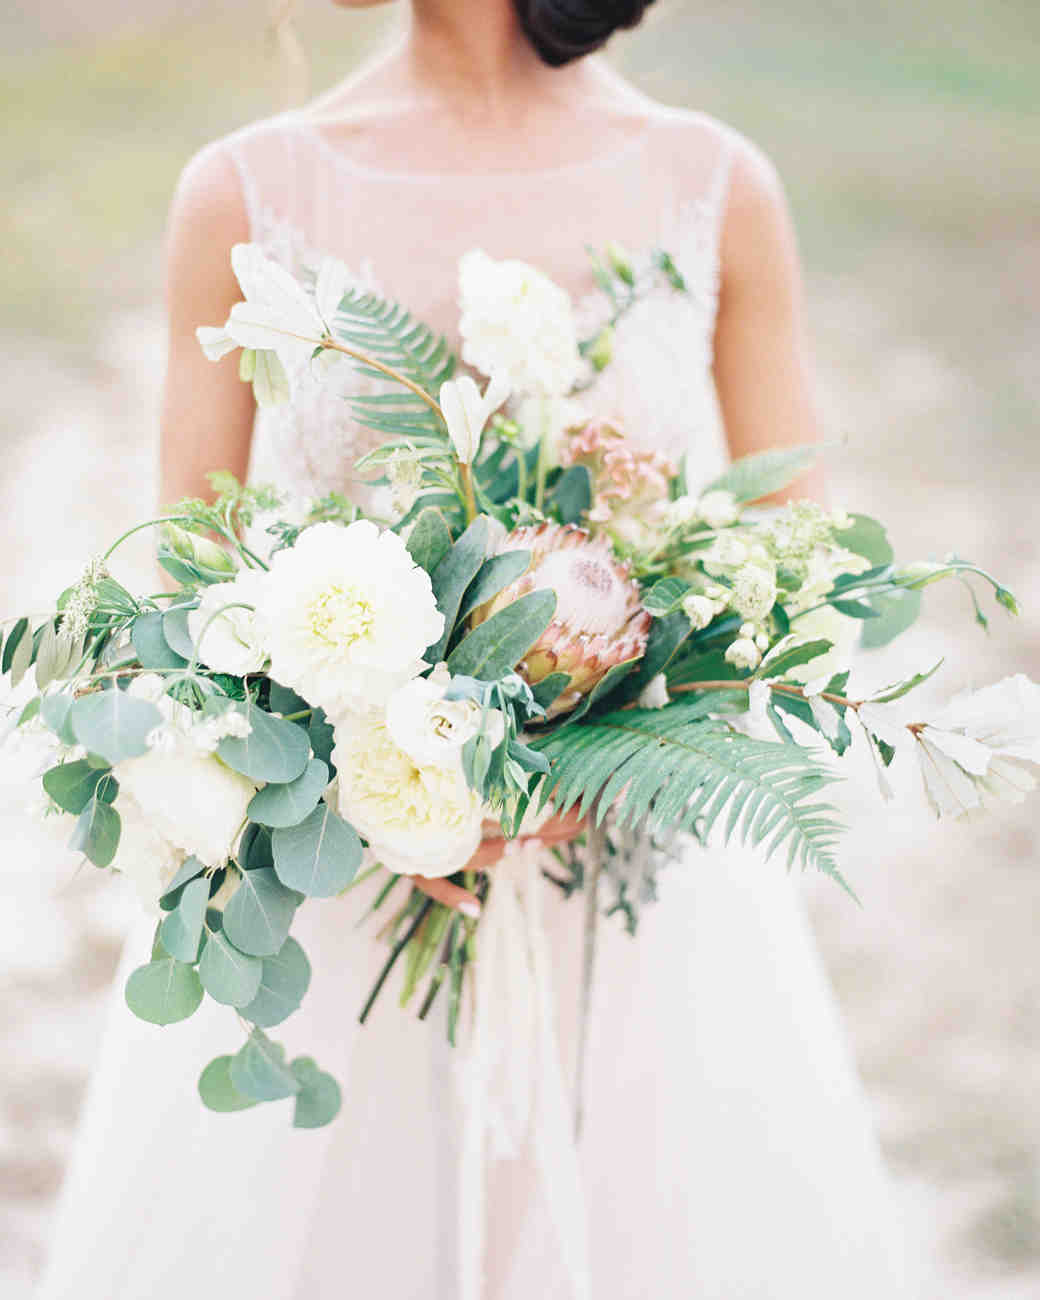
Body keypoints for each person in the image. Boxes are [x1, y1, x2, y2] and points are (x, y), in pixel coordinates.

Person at [37, 3, 914, 1296]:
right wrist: (374, 780)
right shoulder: (243, 193)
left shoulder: (714, 187)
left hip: (643, 906)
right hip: (343, 904)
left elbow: (807, 579)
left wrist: (615, 745)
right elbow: (190, 598)